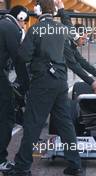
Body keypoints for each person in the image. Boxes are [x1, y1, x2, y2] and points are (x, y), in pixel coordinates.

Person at [5, 0, 82, 175]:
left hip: (42, 84)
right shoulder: (62, 28)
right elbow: (73, 35)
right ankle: (75, 163)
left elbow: (23, 56)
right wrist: (63, 11)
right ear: (53, 10)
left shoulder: (36, 29)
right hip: (61, 83)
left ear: (38, 10)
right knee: (65, 125)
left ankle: (22, 167)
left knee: (32, 124)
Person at [56, 0, 96, 94]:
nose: (84, 41)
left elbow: (81, 61)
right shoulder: (66, 44)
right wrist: (92, 82)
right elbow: (75, 66)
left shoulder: (72, 42)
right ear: (77, 35)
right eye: (83, 39)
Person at [0, 5, 29, 172]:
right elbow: (18, 59)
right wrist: (26, 84)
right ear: (20, 17)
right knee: (8, 114)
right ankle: (1, 159)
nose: (24, 26)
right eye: (24, 23)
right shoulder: (11, 28)